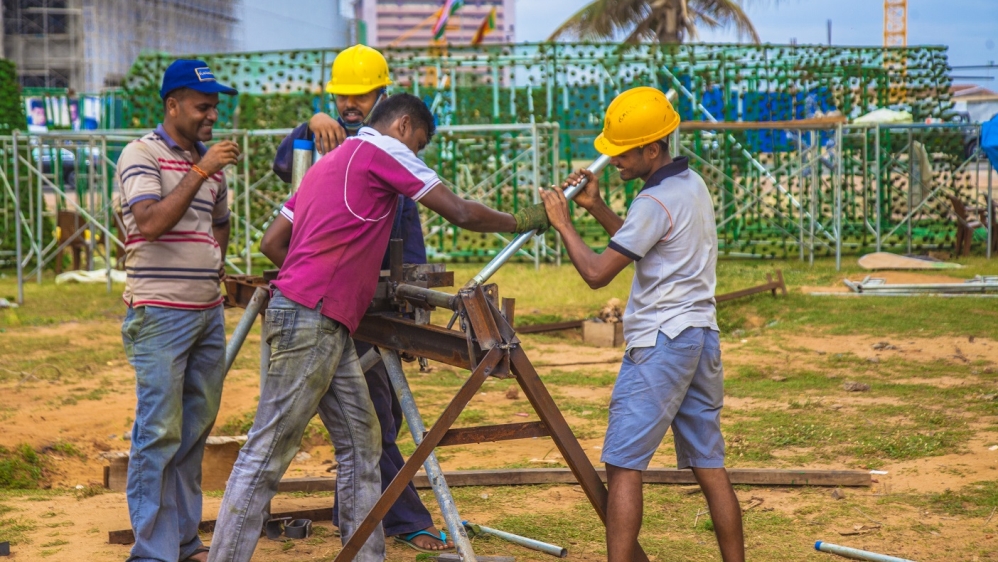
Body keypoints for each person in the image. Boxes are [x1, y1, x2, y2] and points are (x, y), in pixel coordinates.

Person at [207, 93, 549, 562]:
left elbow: (272, 242)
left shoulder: (331, 161)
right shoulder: (383, 151)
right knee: (266, 453)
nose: (417, 154)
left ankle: (366, 556)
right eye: (420, 144)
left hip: (321, 317)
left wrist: (324, 275)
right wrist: (521, 221)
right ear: (404, 126)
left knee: (362, 442)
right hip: (313, 316)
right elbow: (461, 212)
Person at [538, 87, 745, 562]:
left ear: (653, 149)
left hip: (660, 344)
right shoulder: (688, 185)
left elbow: (596, 274)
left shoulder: (654, 201)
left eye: (622, 153)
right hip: (699, 336)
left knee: (624, 464)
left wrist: (564, 222)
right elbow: (639, 241)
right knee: (710, 465)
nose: (612, 161)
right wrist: (594, 206)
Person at [260, 44, 450, 553]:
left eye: (359, 95)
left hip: (379, 287)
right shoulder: (325, 138)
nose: (349, 104)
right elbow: (286, 165)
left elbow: (409, 226)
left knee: (377, 415)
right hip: (328, 292)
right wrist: (309, 124)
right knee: (362, 417)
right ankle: (397, 516)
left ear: (382, 96)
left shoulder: (392, 145)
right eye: (341, 96)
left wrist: (413, 291)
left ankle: (383, 516)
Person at [115, 59, 240, 562]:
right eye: (202, 106)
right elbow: (150, 223)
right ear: (172, 105)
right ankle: (151, 551)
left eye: (215, 107)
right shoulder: (140, 154)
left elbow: (221, 222)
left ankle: (184, 542)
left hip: (207, 313)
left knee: (194, 432)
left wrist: (215, 266)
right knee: (159, 431)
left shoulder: (209, 163)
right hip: (159, 315)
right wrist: (200, 170)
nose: (212, 116)